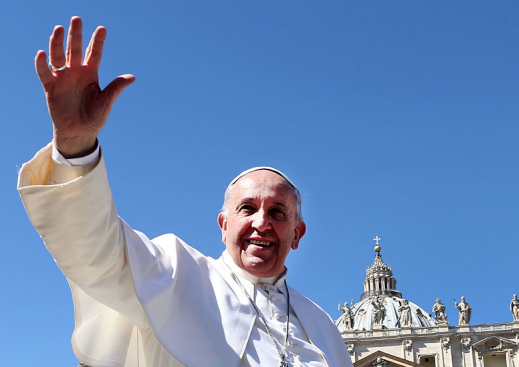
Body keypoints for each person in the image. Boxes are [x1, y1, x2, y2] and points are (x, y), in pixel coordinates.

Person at [18, 17, 353, 367]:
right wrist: (76, 147)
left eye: (278, 212)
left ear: (297, 234)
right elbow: (96, 251)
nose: (261, 223)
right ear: (223, 226)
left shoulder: (323, 327)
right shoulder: (176, 275)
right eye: (247, 208)